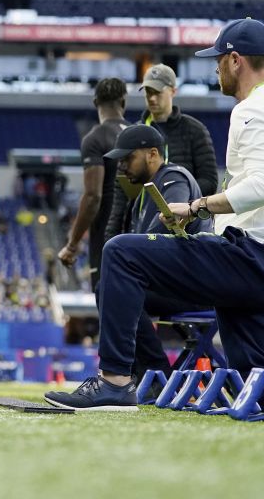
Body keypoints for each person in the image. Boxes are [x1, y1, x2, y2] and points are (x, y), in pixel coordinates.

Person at [43, 19, 264, 417]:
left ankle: (113, 382)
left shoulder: (252, 109)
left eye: (218, 61)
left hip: (252, 260)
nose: (215, 69)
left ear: (235, 60)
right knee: (262, 389)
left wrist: (198, 207)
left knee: (121, 254)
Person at [102, 125, 212, 380]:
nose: (122, 166)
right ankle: (145, 372)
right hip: (174, 283)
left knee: (113, 288)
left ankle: (153, 373)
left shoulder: (173, 178)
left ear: (152, 154)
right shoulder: (145, 192)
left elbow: (163, 231)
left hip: (191, 286)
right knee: (112, 287)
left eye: (128, 158)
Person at [102, 64, 220, 259]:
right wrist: (111, 239)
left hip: (184, 227)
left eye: (157, 92)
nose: (152, 98)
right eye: (148, 93)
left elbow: (209, 180)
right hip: (141, 222)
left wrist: (174, 194)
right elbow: (120, 194)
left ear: (173, 91)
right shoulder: (134, 134)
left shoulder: (194, 130)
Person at [57, 78, 128, 290]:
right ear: (123, 102)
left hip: (107, 239)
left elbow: (93, 196)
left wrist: (72, 244)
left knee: (110, 312)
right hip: (137, 233)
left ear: (95, 102)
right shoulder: (138, 135)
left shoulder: (95, 138)